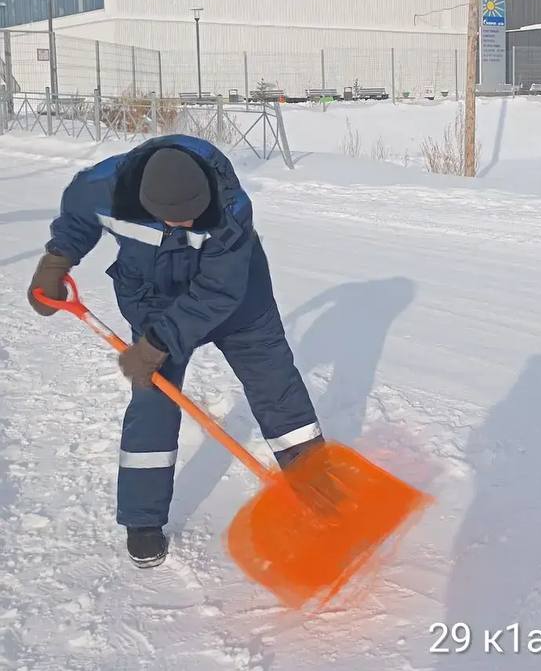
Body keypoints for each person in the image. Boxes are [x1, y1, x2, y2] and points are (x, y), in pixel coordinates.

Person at [27, 135, 323, 569]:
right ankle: (142, 521)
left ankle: (320, 490)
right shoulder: (107, 185)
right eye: (175, 218)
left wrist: (158, 343)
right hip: (153, 300)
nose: (186, 223)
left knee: (276, 384)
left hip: (239, 302)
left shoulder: (230, 206)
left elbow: (219, 290)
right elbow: (78, 211)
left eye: (193, 216)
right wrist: (57, 262)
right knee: (153, 402)